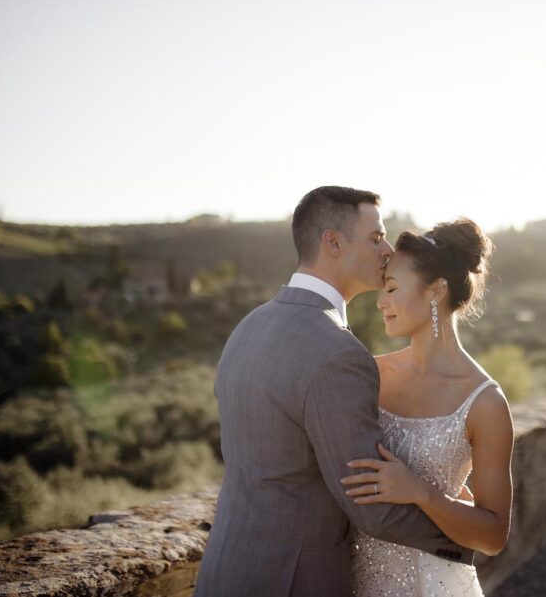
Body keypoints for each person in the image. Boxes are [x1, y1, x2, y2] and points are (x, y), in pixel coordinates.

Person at [194, 186, 471, 597]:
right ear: (334, 243)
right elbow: (369, 505)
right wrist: (467, 536)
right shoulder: (338, 353)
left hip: (224, 570)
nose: (387, 251)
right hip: (293, 581)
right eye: (375, 238)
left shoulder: (248, 327)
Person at [342, 218, 515, 596]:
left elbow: (493, 536)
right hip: (353, 580)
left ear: (436, 290)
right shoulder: (370, 374)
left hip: (434, 585)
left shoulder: (485, 403)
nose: (381, 302)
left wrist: (422, 492)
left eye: (392, 288)